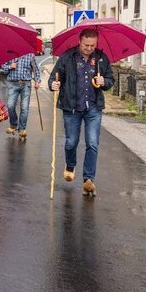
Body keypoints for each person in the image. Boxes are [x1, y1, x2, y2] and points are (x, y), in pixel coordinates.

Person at [49, 29, 114, 197]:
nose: (89, 48)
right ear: (80, 41)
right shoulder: (67, 57)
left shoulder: (101, 58)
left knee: (92, 143)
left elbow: (110, 80)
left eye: (93, 45)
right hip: (71, 107)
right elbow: (54, 77)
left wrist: (104, 81)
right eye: (86, 45)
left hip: (93, 107)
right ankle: (70, 165)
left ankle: (88, 180)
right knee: (71, 142)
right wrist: (53, 85)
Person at [0, 53, 41, 139]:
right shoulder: (10, 54)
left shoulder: (30, 55)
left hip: (26, 84)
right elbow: (3, 67)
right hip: (13, 84)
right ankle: (13, 124)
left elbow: (36, 69)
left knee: (24, 108)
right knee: (10, 106)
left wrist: (37, 81)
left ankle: (22, 129)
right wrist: (10, 66)